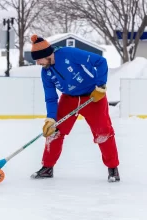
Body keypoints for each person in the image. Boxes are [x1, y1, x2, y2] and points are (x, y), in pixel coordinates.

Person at [30, 34, 120, 182]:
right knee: (55, 131)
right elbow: (51, 97)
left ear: (47, 54)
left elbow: (101, 61)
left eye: (39, 59)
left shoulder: (69, 54)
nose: (38, 62)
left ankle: (113, 169)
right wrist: (51, 119)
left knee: (103, 132)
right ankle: (47, 167)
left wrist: (101, 85)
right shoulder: (46, 72)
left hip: (93, 96)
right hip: (69, 99)